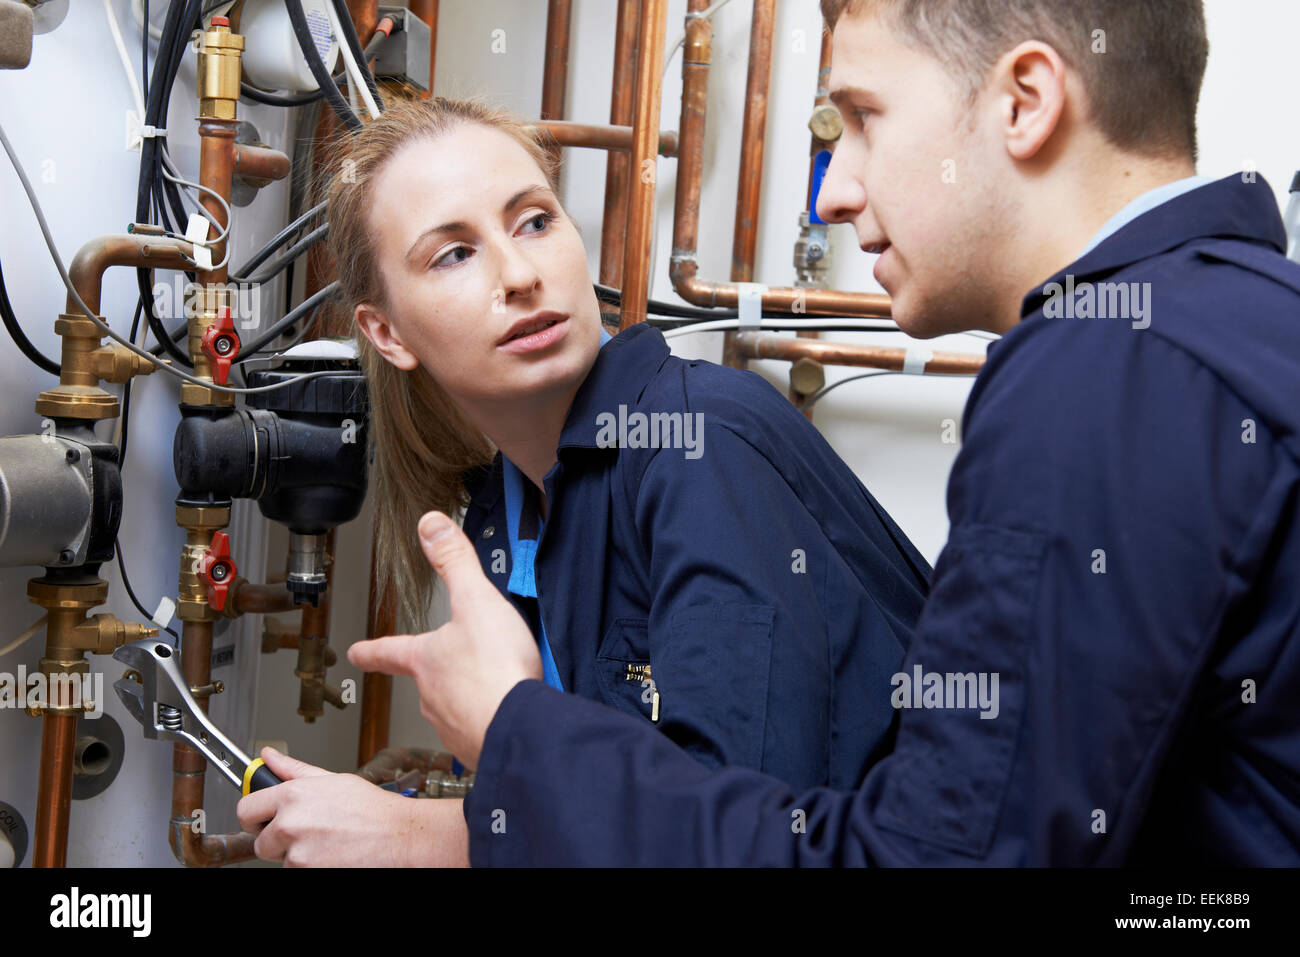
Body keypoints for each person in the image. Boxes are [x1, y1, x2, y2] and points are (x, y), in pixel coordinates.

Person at [346, 0, 1300, 865]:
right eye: (456, 251)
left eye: (864, 118)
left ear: (1025, 100)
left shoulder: (1112, 372)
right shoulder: (1215, 330)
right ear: (384, 333)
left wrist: (508, 749)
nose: (833, 194)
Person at [236, 95, 933, 865]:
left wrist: (421, 838)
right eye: (453, 253)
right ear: (386, 333)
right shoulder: (501, 518)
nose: (520, 273)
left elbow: (744, 846)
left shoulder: (700, 446)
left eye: (534, 220)